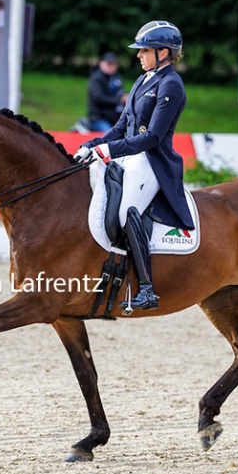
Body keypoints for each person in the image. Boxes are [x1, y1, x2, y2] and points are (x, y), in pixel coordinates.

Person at [74, 20, 194, 311]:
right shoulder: (143, 80)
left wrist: (109, 150)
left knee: (128, 212)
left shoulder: (171, 85)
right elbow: (120, 127)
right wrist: (94, 144)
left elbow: (152, 137)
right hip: (129, 155)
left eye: (144, 50)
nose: (138, 55)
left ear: (163, 52)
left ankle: (147, 289)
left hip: (152, 161)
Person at [86, 51, 128, 132]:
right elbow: (98, 98)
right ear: (101, 64)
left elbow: (121, 92)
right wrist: (119, 100)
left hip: (116, 117)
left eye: (113, 64)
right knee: (109, 134)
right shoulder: (96, 79)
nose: (111, 66)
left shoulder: (117, 77)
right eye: (109, 64)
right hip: (99, 118)